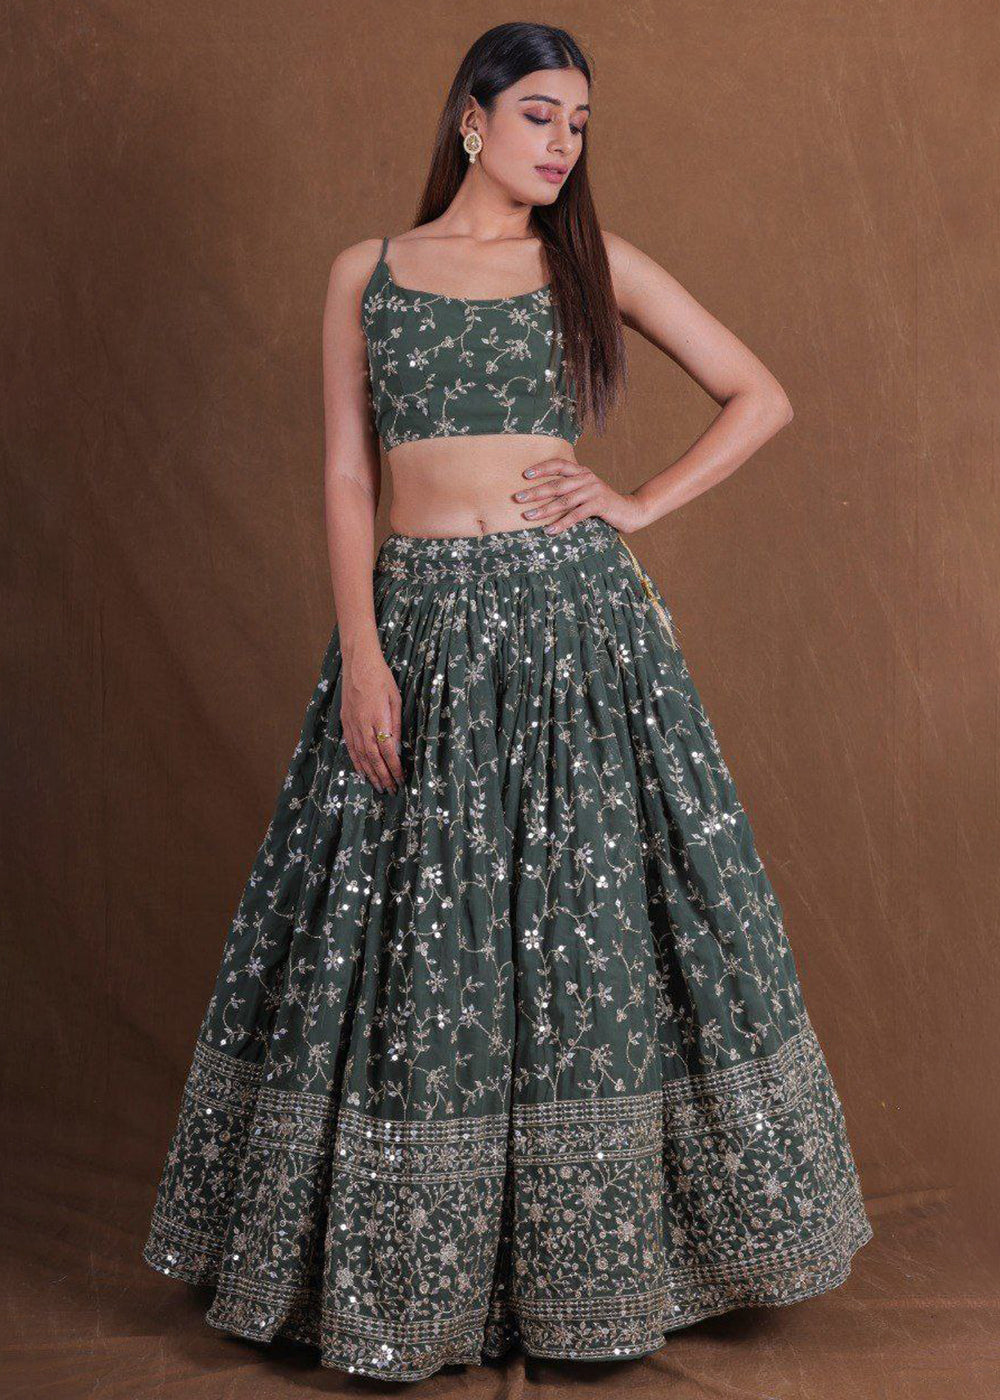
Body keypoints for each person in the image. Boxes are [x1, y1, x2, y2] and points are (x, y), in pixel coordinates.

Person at [142, 20, 873, 1383]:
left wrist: (637, 500)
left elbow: (758, 393)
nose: (563, 144)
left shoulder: (590, 265)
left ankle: (593, 1275)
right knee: (429, 945)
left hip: (574, 632)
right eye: (541, 113)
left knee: (587, 931)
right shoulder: (367, 272)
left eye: (580, 124)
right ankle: (419, 1282)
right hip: (420, 627)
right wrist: (363, 651)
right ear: (471, 117)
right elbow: (349, 476)